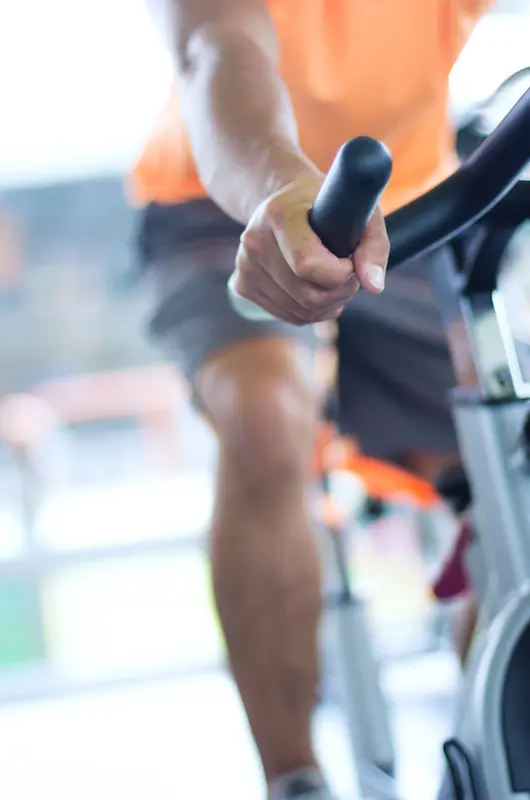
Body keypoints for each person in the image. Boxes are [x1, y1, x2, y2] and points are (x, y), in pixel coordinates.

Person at [130, 1, 493, 797]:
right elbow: (216, 45)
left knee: (511, 462)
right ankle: (295, 779)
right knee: (265, 419)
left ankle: (493, 740)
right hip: (225, 200)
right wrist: (280, 184)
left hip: (412, 211)